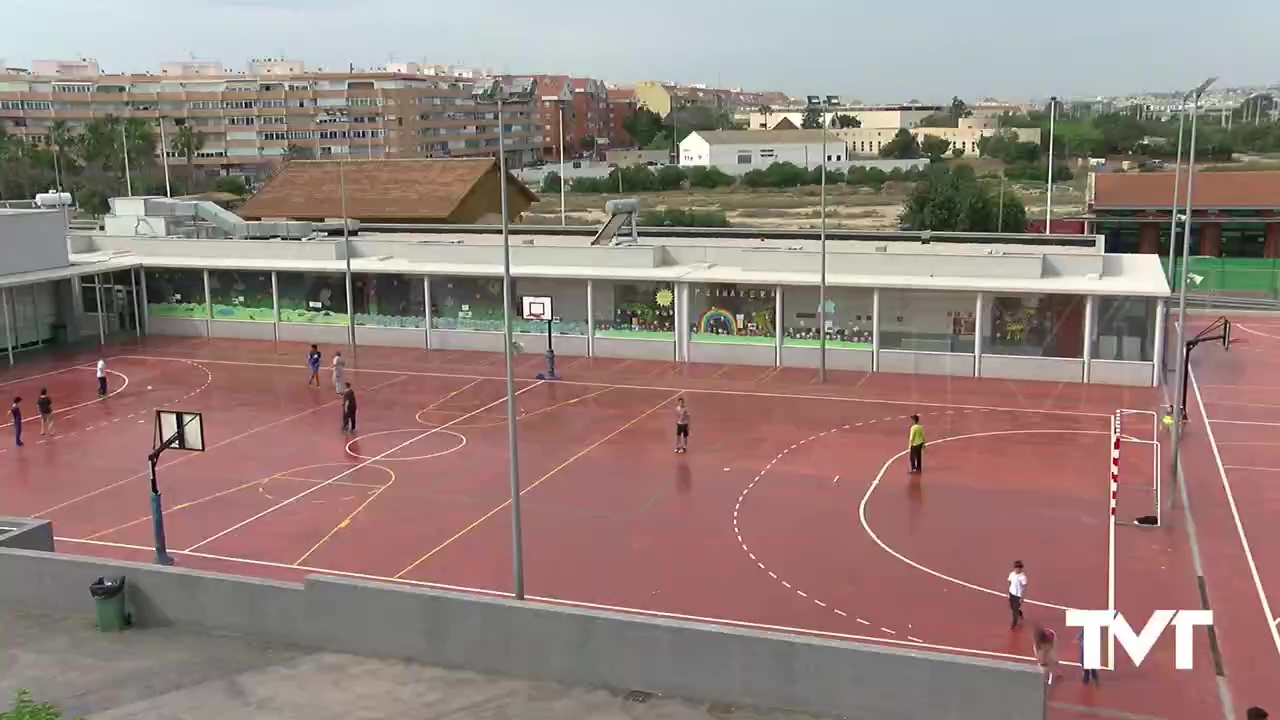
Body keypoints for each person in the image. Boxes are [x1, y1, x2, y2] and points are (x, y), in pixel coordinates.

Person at [1008, 560, 1028, 628]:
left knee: (1014, 611)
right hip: (1011, 593)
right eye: (1016, 567)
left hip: (1018, 595)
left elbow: (1024, 587)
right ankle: (1019, 612)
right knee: (1011, 607)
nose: (1017, 569)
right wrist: (1009, 591)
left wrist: (1022, 597)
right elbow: (1010, 582)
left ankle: (1014, 623)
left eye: (1019, 568)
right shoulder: (1012, 574)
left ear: (1021, 568)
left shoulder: (1023, 577)